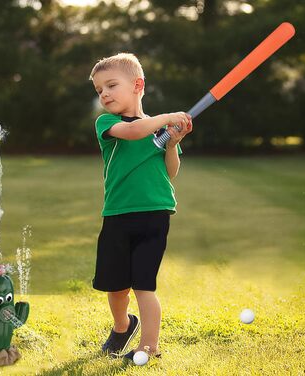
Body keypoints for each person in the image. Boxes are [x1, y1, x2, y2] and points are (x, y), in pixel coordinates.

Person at [89, 52, 192, 361]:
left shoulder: (161, 132)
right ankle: (123, 326)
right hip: (118, 214)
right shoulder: (108, 123)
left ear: (137, 85)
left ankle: (149, 346)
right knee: (115, 285)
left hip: (156, 213)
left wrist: (171, 144)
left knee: (143, 284)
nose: (104, 94)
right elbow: (134, 132)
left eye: (111, 85)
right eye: (99, 90)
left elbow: (170, 171)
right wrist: (167, 118)